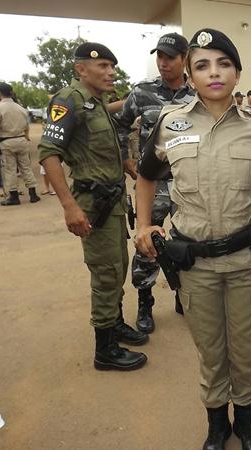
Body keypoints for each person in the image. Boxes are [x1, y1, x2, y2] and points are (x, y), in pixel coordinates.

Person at [135, 29, 251, 450]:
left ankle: (245, 421)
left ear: (237, 73)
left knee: (246, 349)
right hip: (195, 264)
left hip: (247, 263)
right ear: (190, 76)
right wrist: (143, 225)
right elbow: (146, 176)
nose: (214, 73)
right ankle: (216, 424)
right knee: (210, 349)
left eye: (223, 64)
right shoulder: (170, 123)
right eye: (202, 65)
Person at [39, 42, 148, 371]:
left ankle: (114, 323)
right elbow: (49, 153)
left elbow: (103, 129)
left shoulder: (95, 101)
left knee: (118, 265)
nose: (111, 72)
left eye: (112, 66)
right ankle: (105, 350)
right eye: (103, 66)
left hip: (112, 201)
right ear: (81, 69)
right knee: (106, 272)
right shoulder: (67, 100)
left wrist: (127, 162)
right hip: (93, 202)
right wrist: (69, 206)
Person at [115, 32, 195, 333]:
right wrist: (126, 159)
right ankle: (145, 302)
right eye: (159, 56)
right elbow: (120, 125)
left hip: (189, 183)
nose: (163, 62)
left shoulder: (198, 93)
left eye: (170, 57)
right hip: (155, 182)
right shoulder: (142, 92)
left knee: (189, 240)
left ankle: (183, 295)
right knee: (148, 242)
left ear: (184, 59)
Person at [0, 84, 39, 206]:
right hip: (21, 139)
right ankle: (33, 194)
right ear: (11, 93)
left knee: (10, 169)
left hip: (6, 141)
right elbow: (26, 126)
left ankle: (14, 196)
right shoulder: (21, 108)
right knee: (26, 167)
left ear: (0, 93)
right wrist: (26, 137)